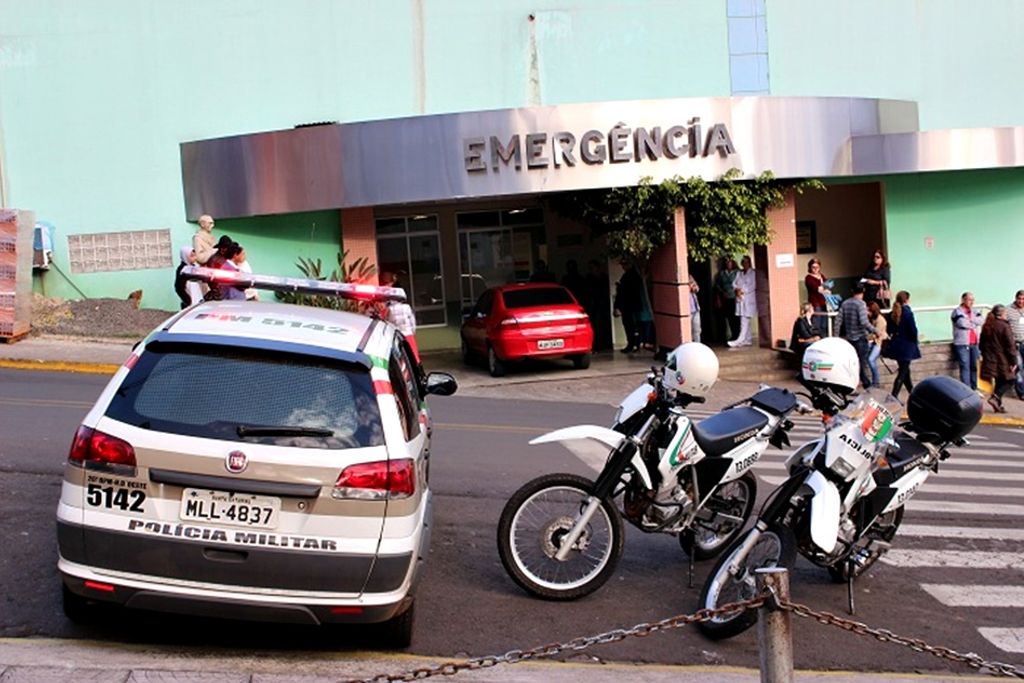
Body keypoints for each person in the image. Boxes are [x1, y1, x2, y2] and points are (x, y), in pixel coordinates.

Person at [835, 283, 877, 389]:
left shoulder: (845, 303)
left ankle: (854, 384)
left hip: (850, 337)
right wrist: (875, 330)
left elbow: (838, 320)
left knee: (853, 363)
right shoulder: (861, 304)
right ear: (863, 292)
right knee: (862, 363)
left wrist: (836, 336)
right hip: (861, 337)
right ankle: (867, 385)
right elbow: (864, 322)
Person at [883, 291, 921, 399]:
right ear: (907, 300)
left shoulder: (892, 313)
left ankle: (913, 394)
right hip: (907, 346)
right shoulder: (908, 313)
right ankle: (893, 396)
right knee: (903, 372)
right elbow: (913, 330)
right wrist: (915, 340)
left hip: (896, 346)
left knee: (905, 371)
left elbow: (889, 330)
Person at [980, 304, 1017, 413]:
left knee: (999, 380)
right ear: (1002, 314)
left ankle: (998, 405)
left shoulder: (988, 325)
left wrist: (985, 354)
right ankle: (995, 397)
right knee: (1010, 379)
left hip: (990, 357)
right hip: (1002, 358)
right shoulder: (1004, 326)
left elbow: (981, 344)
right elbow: (1010, 345)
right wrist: (1013, 361)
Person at [381, 271, 420, 361]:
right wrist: (412, 332)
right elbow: (412, 322)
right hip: (408, 334)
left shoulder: (390, 309)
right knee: (414, 356)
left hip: (398, 336)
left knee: (401, 358)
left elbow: (389, 323)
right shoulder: (407, 307)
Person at [951, 291, 983, 390]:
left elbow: (981, 320)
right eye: (969, 300)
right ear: (963, 300)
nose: (971, 302)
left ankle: (974, 388)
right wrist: (974, 322)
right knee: (965, 366)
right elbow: (962, 324)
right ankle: (966, 389)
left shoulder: (975, 310)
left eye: (972, 300)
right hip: (962, 343)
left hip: (974, 343)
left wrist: (970, 319)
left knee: (974, 366)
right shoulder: (957, 311)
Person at [613, 259, 644, 353]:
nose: (623, 267)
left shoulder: (629, 276)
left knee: (630, 326)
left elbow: (624, 293)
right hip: (631, 306)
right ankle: (634, 344)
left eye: (624, 265)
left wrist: (618, 306)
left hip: (629, 307)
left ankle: (632, 344)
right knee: (632, 327)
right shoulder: (632, 276)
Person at [728, 255, 757, 348]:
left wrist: (742, 291)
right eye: (743, 262)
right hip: (740, 299)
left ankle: (739, 340)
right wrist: (737, 290)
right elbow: (734, 283)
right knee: (745, 320)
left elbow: (753, 285)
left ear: (749, 263)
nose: (745, 264)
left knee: (744, 321)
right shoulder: (739, 273)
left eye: (746, 262)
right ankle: (747, 340)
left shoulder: (753, 273)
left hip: (748, 299)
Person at [584, 259, 612, 350]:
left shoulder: (604, 277)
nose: (591, 269)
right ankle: (597, 345)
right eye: (590, 268)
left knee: (604, 325)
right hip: (594, 305)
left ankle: (605, 344)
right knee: (596, 325)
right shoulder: (589, 278)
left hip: (603, 304)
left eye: (593, 267)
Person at [713, 257, 739, 342]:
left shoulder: (737, 273)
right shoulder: (722, 274)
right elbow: (717, 285)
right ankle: (731, 334)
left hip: (735, 297)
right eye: (727, 263)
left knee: (736, 317)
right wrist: (721, 292)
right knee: (728, 317)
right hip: (725, 297)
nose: (728, 264)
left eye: (730, 262)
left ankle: (737, 334)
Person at [866, 301, 889, 389]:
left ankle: (876, 381)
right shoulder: (872, 319)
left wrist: (867, 338)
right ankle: (874, 381)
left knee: (871, 360)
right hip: (873, 342)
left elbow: (877, 334)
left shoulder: (880, 320)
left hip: (879, 343)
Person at [1006, 289, 1024, 399]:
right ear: (1015, 298)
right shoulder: (1008, 310)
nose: (1021, 301)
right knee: (1019, 367)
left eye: (1023, 299)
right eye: (1019, 299)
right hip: (1014, 344)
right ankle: (1021, 392)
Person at [688, 275, 701, 343]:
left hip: (695, 309)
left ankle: (698, 345)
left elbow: (697, 289)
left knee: (697, 330)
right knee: (688, 331)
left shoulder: (690, 277)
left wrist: (693, 287)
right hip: (687, 311)